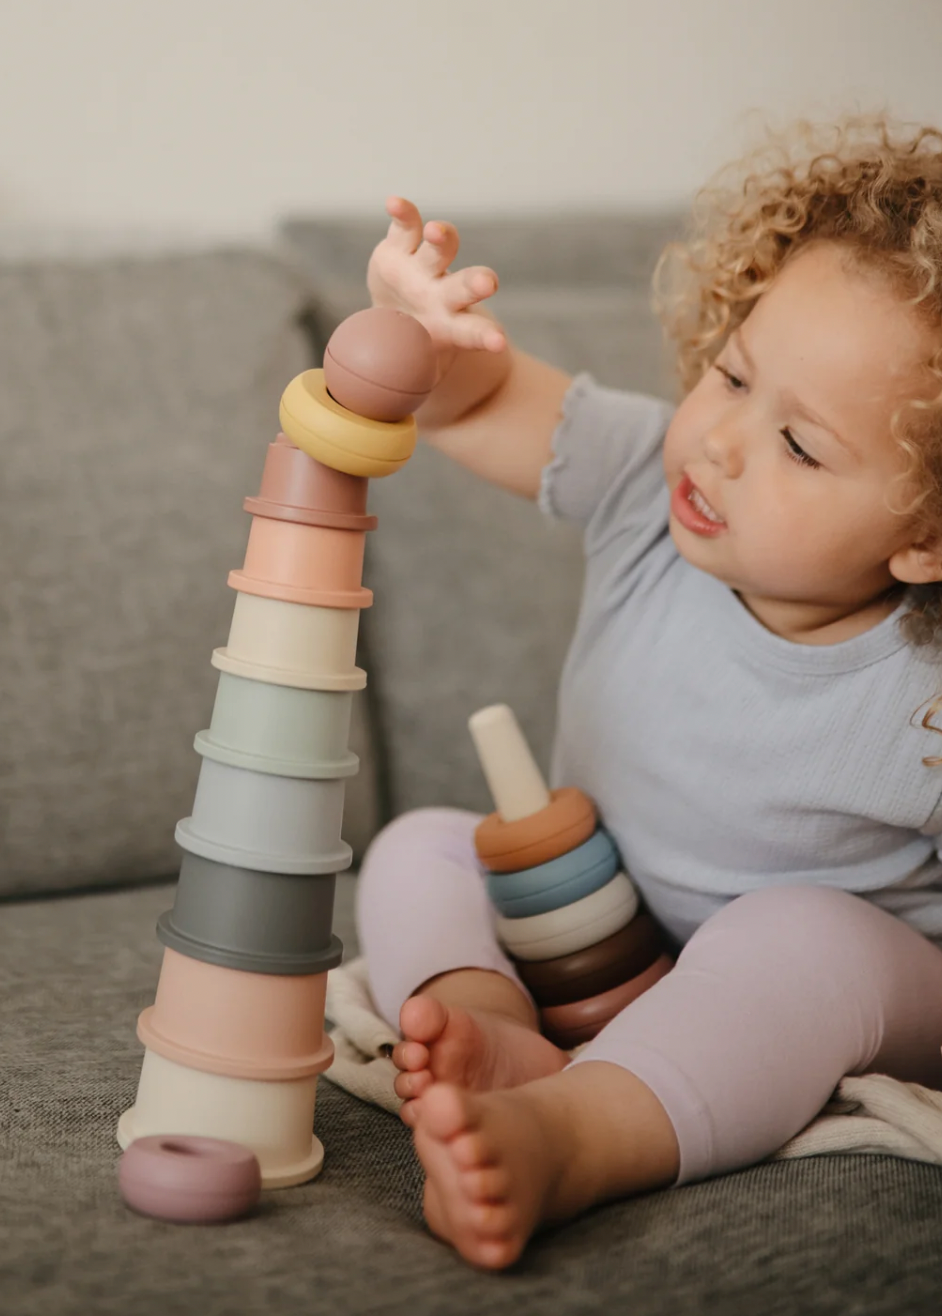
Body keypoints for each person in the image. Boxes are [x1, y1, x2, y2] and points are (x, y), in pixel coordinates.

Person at [354, 114, 942, 1271]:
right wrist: (413, 335)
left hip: (846, 985)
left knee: (798, 932)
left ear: (924, 533)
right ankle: (499, 1033)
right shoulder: (640, 484)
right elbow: (471, 402)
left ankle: (573, 1133)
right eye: (730, 373)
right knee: (418, 843)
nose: (718, 442)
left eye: (802, 447)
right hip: (604, 932)